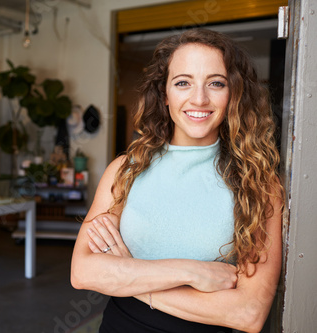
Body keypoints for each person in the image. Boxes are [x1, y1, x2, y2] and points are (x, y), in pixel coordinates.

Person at [71, 28, 284, 333]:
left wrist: (129, 273)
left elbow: (247, 313)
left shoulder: (258, 183)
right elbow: (82, 272)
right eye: (183, 82)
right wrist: (192, 272)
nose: (199, 98)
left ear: (234, 94)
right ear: (165, 95)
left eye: (216, 83)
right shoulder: (125, 170)